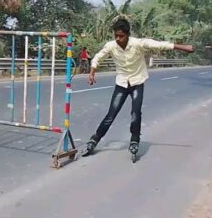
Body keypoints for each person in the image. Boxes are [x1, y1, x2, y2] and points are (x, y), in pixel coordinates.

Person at [83, 18, 194, 157]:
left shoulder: (137, 44)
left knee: (136, 113)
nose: (118, 39)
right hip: (121, 83)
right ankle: (94, 140)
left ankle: (134, 139)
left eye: (121, 36)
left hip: (137, 83)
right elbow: (97, 57)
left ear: (128, 35)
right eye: (116, 36)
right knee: (111, 114)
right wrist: (92, 72)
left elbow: (159, 45)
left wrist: (183, 47)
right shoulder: (111, 46)